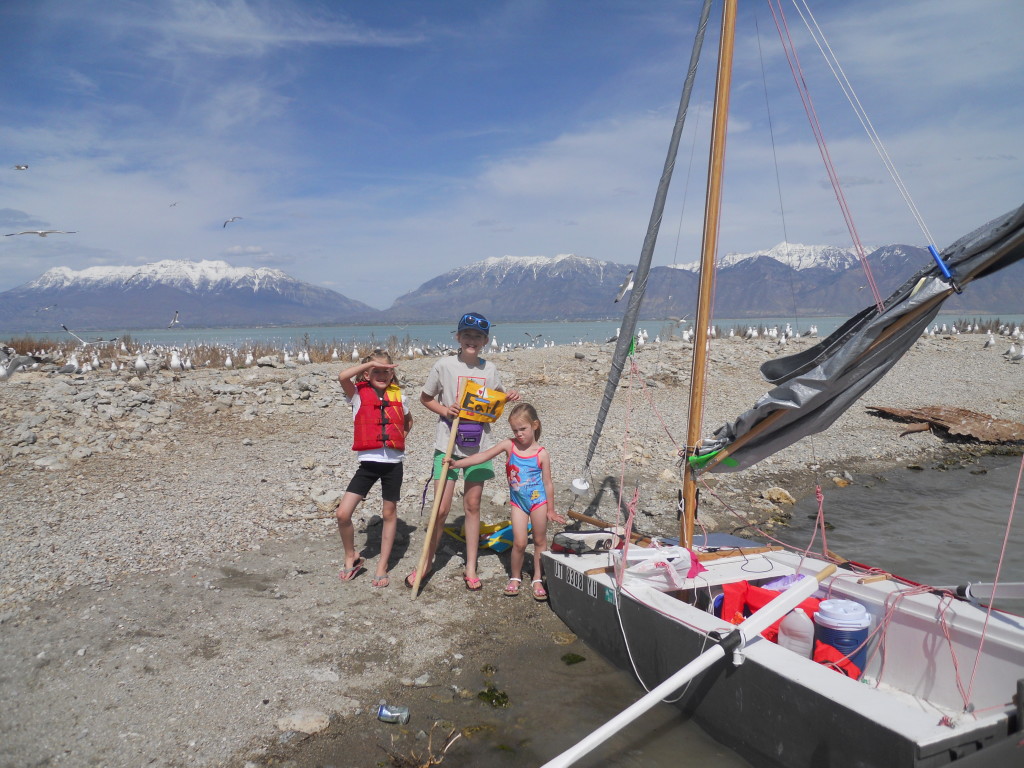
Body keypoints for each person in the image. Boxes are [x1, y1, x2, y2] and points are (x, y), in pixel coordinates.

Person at [408, 311, 518, 591]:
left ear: (485, 341)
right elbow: (425, 398)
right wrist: (446, 410)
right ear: (457, 337)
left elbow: (494, 406)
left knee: (472, 506)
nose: (472, 339)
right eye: (466, 334)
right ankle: (427, 561)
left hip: (479, 448)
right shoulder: (444, 365)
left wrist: (507, 398)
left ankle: (471, 566)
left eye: (478, 336)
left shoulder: (489, 370)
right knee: (441, 509)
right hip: (446, 446)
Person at [448, 403, 565, 600]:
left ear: (535, 425)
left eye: (523, 429)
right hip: (518, 503)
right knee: (519, 542)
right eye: (515, 430)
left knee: (539, 540)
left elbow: (548, 483)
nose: (519, 434)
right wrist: (457, 463)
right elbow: (483, 456)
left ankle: (537, 577)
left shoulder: (541, 453)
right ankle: (515, 577)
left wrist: (551, 510)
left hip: (538, 502)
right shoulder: (509, 445)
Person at [334, 350, 412, 587]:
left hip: (393, 465)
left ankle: (382, 565)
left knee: (390, 514)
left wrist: (400, 438)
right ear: (366, 373)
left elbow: (408, 421)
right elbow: (342, 376)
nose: (381, 374)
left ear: (392, 373)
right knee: (343, 514)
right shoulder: (357, 394)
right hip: (367, 465)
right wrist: (370, 364)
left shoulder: (400, 396)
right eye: (375, 370)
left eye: (385, 370)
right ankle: (351, 556)